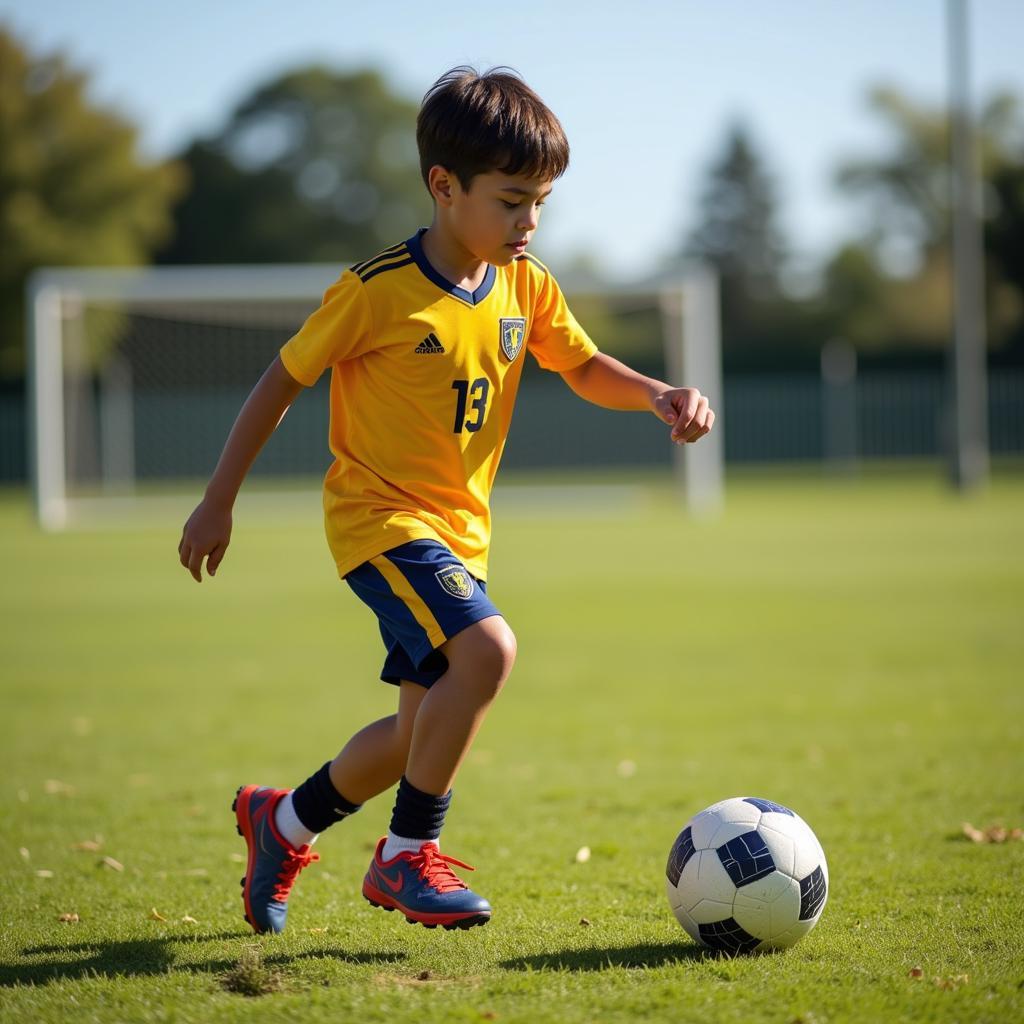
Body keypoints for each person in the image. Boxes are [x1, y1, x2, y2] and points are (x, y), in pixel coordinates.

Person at [177, 66, 714, 935]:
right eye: (511, 201)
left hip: (462, 538)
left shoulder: (524, 284)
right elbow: (281, 380)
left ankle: (280, 824)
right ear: (444, 186)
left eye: (541, 201)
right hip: (378, 521)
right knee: (489, 652)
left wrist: (656, 391)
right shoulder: (376, 290)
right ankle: (403, 858)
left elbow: (577, 364)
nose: (529, 222)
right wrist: (218, 500)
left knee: (410, 737)